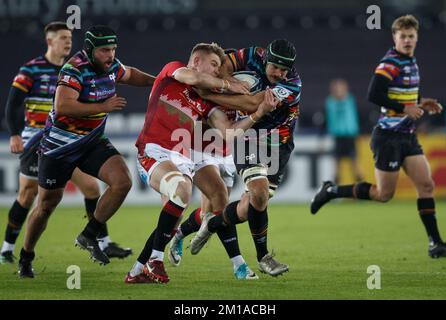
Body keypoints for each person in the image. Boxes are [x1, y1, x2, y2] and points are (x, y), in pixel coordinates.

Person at [124, 42, 277, 284]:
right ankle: (155, 259)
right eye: (214, 64)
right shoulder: (173, 71)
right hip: (154, 151)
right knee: (181, 194)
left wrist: (257, 114)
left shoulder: (206, 102)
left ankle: (137, 270)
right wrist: (229, 84)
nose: (218, 70)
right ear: (196, 60)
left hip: (185, 158)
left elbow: (228, 133)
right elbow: (192, 77)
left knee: (212, 201)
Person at [17, 25, 155, 278]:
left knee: (122, 182)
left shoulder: (110, 65)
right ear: (90, 49)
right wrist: (104, 105)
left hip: (91, 141)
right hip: (58, 147)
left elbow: (131, 74)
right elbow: (63, 106)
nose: (110, 55)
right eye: (104, 50)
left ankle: (89, 234)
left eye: (113, 49)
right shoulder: (74, 69)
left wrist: (157, 83)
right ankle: (26, 256)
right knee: (46, 205)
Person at [310, 15, 446, 259]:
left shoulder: (411, 62)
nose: (407, 40)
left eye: (411, 36)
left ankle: (435, 243)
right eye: (402, 36)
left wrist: (420, 102)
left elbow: (400, 96)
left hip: (407, 135)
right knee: (384, 195)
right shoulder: (390, 62)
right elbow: (374, 94)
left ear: (416, 38)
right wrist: (405, 108)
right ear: (394, 37)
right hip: (388, 137)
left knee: (426, 185)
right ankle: (332, 191)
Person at [0, 22, 131, 265]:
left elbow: (127, 74)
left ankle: (99, 240)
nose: (68, 41)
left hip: (80, 141)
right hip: (41, 141)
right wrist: (15, 134)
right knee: (31, 197)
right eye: (62, 38)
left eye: (70, 37)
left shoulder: (88, 67)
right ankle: (9, 249)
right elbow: (13, 104)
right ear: (50, 41)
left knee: (93, 188)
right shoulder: (33, 69)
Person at [189, 39, 302, 277]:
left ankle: (211, 224)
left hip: (278, 145)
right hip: (249, 136)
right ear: (266, 59)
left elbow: (252, 103)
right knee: (259, 192)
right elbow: (223, 66)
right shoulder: (252, 55)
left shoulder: (292, 85)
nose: (279, 74)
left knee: (248, 208)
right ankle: (264, 258)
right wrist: (229, 82)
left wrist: (208, 96)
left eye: (285, 69)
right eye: (275, 67)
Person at [168, 107, 259, 280]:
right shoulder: (210, 84)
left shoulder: (240, 83)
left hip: (227, 154)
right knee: (221, 202)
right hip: (200, 151)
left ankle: (179, 234)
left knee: (208, 214)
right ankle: (239, 265)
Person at [325, 78, 363, 183]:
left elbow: (343, 97)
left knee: (355, 163)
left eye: (340, 87)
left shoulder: (349, 99)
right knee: (337, 165)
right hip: (338, 136)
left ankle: (360, 189)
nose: (338, 89)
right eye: (336, 87)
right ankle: (336, 191)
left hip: (350, 135)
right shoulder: (330, 101)